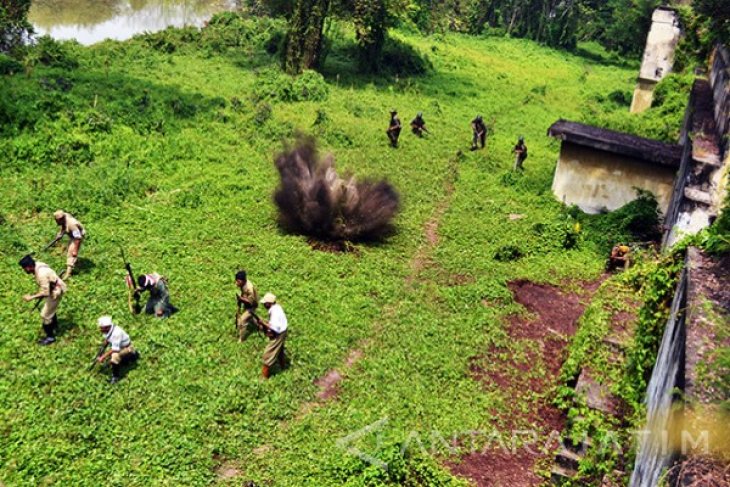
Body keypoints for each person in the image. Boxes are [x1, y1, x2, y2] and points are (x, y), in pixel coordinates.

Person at [19, 254, 67, 345]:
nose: (24, 270)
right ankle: (55, 325)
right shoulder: (38, 264)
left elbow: (45, 293)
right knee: (50, 309)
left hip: (55, 291)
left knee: (45, 315)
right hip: (52, 287)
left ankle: (50, 337)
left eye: (24, 268)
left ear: (29, 267)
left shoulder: (41, 274)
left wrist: (31, 297)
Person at [96, 316, 139, 384]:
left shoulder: (116, 333)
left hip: (126, 348)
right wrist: (102, 348)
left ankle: (115, 377)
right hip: (120, 347)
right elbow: (107, 339)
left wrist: (102, 357)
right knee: (112, 357)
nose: (100, 329)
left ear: (107, 327)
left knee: (114, 357)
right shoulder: (109, 330)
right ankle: (126, 359)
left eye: (101, 328)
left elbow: (114, 349)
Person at [257, 293, 288, 379]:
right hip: (283, 330)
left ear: (269, 303)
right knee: (279, 350)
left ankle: (263, 377)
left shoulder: (274, 313)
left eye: (265, 303)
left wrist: (263, 323)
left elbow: (275, 328)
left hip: (279, 333)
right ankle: (283, 367)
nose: (263, 305)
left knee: (268, 354)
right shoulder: (277, 307)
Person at [51, 210, 86, 278]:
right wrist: (61, 233)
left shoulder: (72, 224)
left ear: (61, 219)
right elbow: (64, 225)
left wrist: (75, 250)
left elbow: (78, 237)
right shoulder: (65, 216)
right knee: (70, 249)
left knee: (71, 253)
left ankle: (68, 273)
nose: (56, 222)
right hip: (73, 235)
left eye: (56, 220)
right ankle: (74, 262)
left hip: (77, 237)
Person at [235, 270, 259, 342]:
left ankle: (241, 339)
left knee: (242, 320)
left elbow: (251, 302)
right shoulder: (243, 284)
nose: (236, 283)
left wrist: (241, 299)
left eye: (238, 281)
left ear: (243, 280)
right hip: (246, 304)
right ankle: (258, 326)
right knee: (250, 318)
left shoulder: (249, 288)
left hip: (252, 306)